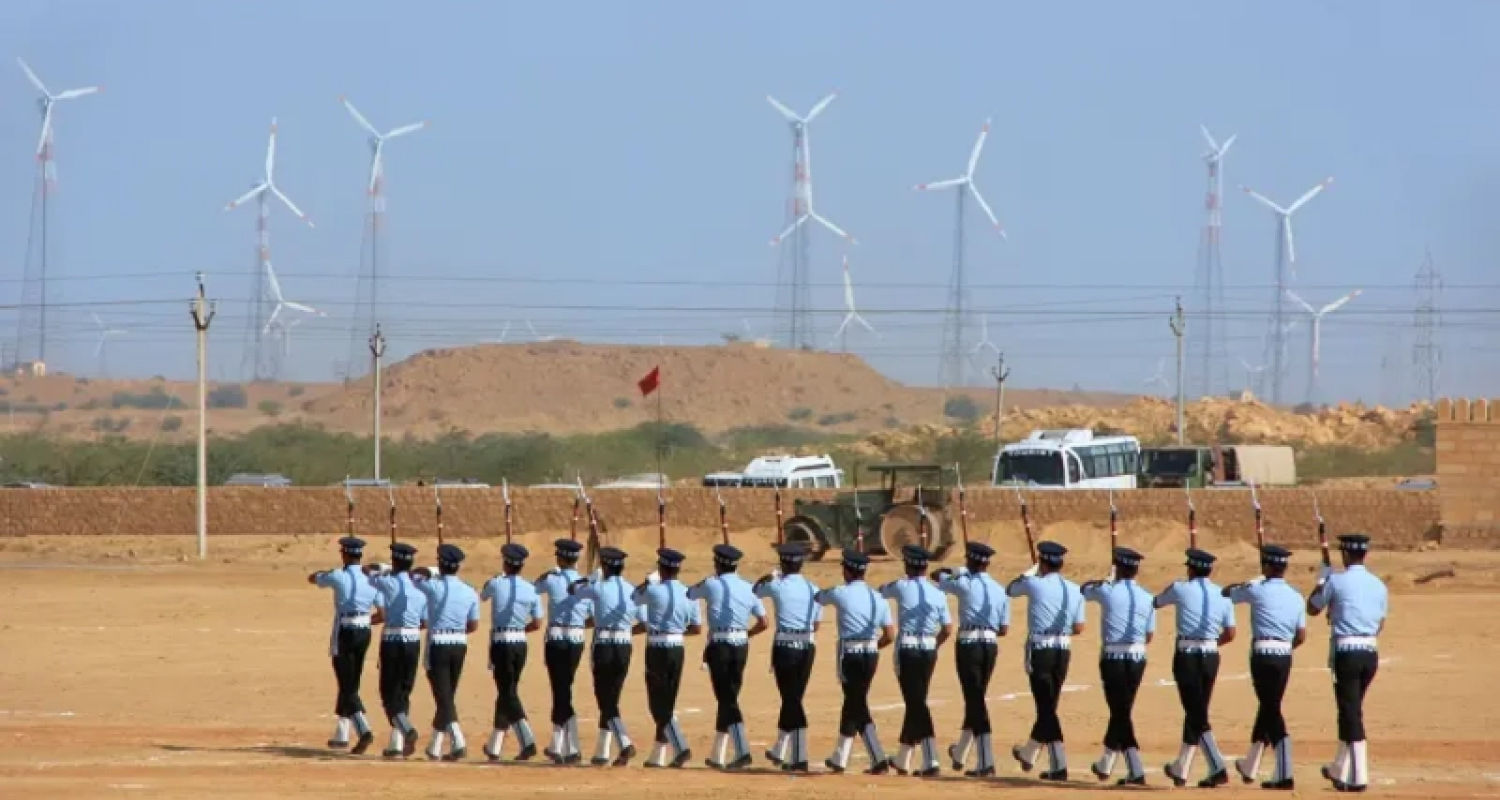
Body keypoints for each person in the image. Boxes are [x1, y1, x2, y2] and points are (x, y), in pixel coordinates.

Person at [1308, 533, 1388, 792]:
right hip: (1370, 651)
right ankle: (1338, 767)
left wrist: (1322, 581)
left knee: (1350, 711)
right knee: (1350, 708)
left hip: (1347, 651)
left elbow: (1312, 607)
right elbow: (1380, 623)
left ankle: (1358, 775)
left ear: (1344, 554)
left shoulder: (1336, 580)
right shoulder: (1378, 584)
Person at [1224, 544, 1306, 790]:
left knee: (1271, 709)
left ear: (1267, 567)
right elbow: (1301, 636)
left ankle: (1285, 771)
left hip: (1262, 653)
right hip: (1284, 654)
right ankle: (1251, 762)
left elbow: (1227, 593)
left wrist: (1253, 580)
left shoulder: (1257, 589)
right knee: (1269, 706)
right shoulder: (1295, 595)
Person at [1155, 548, 1237, 788]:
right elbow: (1230, 633)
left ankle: (1217, 765)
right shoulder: (1222, 594)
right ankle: (1182, 766)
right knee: (1197, 710)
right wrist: (1212, 642)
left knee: (1196, 713)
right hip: (1211, 655)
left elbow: (1156, 602)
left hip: (1187, 655)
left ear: (1190, 568)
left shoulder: (1180, 588)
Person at [1007, 540, 1086, 781]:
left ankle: (1059, 765)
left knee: (1046, 707)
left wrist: (1031, 570)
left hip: (1041, 649)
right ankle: (1030, 752)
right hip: (1063, 649)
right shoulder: (1074, 589)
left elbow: (1010, 590)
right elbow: (1079, 627)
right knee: (1049, 704)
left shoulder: (1034, 584)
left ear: (1041, 562)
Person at [815, 548, 896, 775]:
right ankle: (840, 757)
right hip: (871, 653)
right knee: (854, 701)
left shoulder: (841, 592)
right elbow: (889, 634)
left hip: (849, 653)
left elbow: (818, 598)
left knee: (855, 702)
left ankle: (877, 756)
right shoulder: (877, 598)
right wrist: (873, 646)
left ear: (847, 570)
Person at [933, 541, 1010, 777]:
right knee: (975, 697)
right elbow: (1004, 629)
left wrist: (958, 570)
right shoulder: (999, 589)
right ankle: (961, 753)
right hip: (990, 644)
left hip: (969, 644)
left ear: (970, 561)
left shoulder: (964, 584)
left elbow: (936, 575)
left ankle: (986, 760)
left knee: (975, 700)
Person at [689, 544, 769, 770]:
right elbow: (763, 623)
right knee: (729, 697)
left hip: (720, 645)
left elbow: (689, 593)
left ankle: (742, 750)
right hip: (741, 645)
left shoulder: (711, 583)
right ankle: (718, 754)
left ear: (718, 564)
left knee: (726, 699)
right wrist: (746, 634)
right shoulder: (748, 587)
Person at [1080, 547, 1155, 785]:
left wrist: (1107, 578)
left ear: (1119, 567)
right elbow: (1149, 635)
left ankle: (1135, 769)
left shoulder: (1107, 590)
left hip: (1113, 657)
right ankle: (1107, 762)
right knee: (1121, 711)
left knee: (1120, 712)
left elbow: (1083, 590)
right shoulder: (1146, 595)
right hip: (1137, 657)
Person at [881, 544, 953, 777]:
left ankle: (931, 759)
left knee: (916, 704)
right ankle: (903, 756)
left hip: (909, 649)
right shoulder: (938, 592)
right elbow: (948, 629)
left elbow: (880, 591)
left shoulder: (902, 586)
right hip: (928, 648)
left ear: (907, 565)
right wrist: (935, 644)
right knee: (916, 700)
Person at [570, 546, 643, 766]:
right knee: (612, 697)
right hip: (624, 645)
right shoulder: (632, 590)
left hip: (603, 645)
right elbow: (645, 622)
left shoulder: (598, 587)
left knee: (604, 697)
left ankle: (624, 742)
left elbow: (572, 589)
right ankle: (602, 751)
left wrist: (591, 577)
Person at [753, 541, 822, 772]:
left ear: (783, 563)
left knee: (791, 699)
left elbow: (755, 590)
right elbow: (817, 624)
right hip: (808, 645)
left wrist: (772, 575)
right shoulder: (813, 588)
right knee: (793, 697)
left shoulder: (777, 585)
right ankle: (780, 749)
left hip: (785, 646)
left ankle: (799, 755)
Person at [632, 547, 702, 769]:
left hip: (657, 648)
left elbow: (634, 597)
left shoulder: (653, 590)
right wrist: (678, 631)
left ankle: (680, 745)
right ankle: (658, 754)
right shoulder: (690, 593)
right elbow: (696, 627)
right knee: (668, 701)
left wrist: (648, 582)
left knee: (657, 704)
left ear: (661, 568)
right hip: (677, 647)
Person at [309, 536, 379, 755]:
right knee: (352, 680)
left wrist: (328, 572)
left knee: (346, 682)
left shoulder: (339, 576)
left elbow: (313, 578)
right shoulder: (372, 578)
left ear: (345, 554)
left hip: (345, 630)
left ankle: (363, 727)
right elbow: (382, 612)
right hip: (365, 629)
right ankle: (342, 733)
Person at [413, 543, 481, 761]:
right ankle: (434, 745)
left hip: (439, 643)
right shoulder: (469, 590)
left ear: (441, 565)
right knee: (447, 695)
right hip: (459, 643)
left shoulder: (433, 586)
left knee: (443, 696)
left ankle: (458, 739)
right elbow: (473, 625)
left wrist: (431, 571)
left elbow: (412, 576)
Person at [479, 543, 545, 762]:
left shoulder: (497, 584)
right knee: (507, 691)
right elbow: (537, 623)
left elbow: (483, 594)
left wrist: (498, 578)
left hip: (502, 642)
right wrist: (520, 628)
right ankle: (494, 745)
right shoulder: (531, 589)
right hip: (520, 642)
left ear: (505, 563)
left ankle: (527, 740)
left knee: (507, 692)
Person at [365, 541, 428, 758]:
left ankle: (405, 728)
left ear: (395, 561)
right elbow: (425, 621)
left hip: (392, 638)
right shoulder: (420, 586)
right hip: (413, 639)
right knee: (403, 692)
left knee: (387, 692)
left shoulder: (389, 582)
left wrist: (384, 569)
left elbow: (366, 571)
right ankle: (396, 743)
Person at [534, 538, 592, 764]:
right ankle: (560, 744)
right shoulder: (585, 582)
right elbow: (592, 618)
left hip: (556, 638)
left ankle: (568, 746)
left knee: (560, 690)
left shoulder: (551, 578)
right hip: (576, 637)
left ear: (559, 558)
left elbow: (533, 589)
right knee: (563, 689)